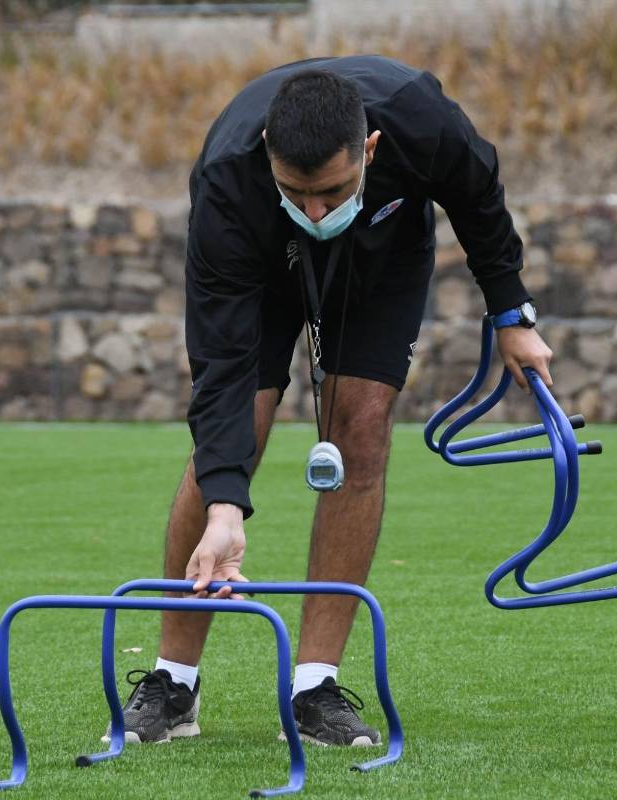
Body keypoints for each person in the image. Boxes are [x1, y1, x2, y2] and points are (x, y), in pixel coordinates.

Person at [114, 54, 554, 746]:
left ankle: (314, 686)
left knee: (363, 429)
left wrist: (511, 315)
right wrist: (227, 508)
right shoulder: (229, 180)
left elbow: (477, 195)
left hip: (381, 259)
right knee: (234, 435)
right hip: (261, 269)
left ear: (369, 149)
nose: (316, 210)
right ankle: (174, 682)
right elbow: (222, 369)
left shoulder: (420, 120)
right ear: (268, 154)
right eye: (299, 191)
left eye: (333, 190)